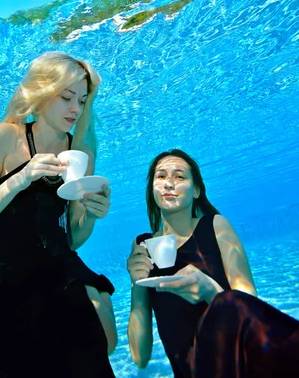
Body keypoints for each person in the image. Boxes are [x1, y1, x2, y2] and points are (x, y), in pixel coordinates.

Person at [0, 51, 117, 378]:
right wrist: (19, 179)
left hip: (49, 259)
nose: (76, 109)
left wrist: (92, 215)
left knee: (101, 340)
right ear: (42, 93)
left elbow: (73, 238)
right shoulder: (4, 137)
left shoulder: (80, 152)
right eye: (67, 97)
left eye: (82, 101)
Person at [127, 149, 299, 378]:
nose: (168, 183)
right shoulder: (142, 245)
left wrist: (211, 292)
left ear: (196, 190)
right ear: (152, 189)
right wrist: (137, 285)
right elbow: (140, 357)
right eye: (161, 176)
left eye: (179, 176)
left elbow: (250, 312)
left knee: (230, 302)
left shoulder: (215, 226)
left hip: (237, 366)